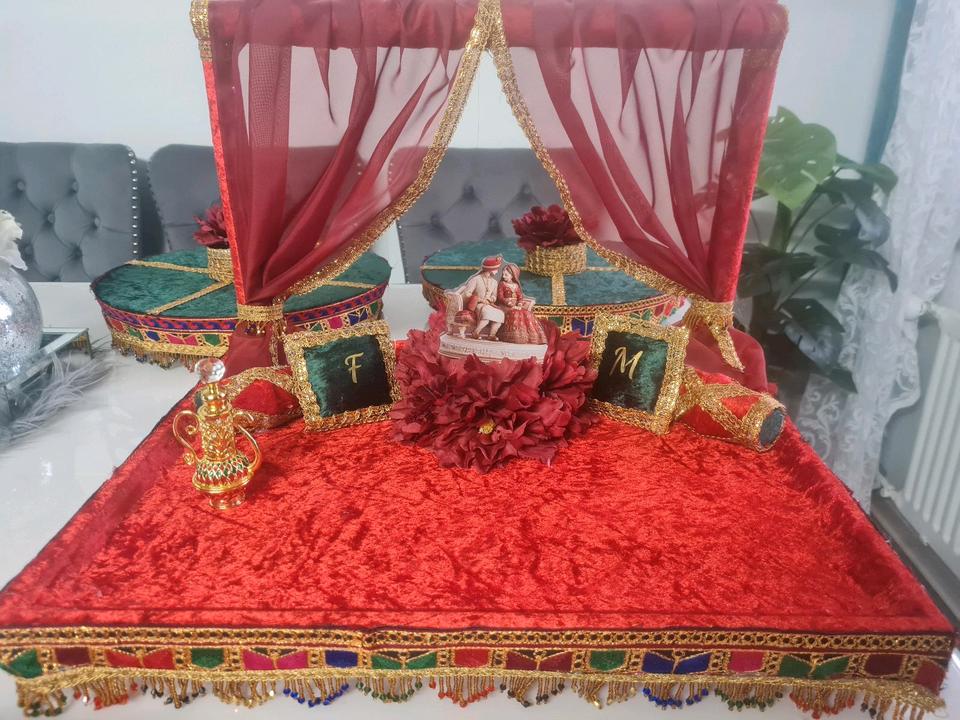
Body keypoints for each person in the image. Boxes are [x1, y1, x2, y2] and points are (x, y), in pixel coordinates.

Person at [453, 256, 506, 340]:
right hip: (477, 305)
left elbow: (494, 296)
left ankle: (492, 335)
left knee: (500, 314)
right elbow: (467, 293)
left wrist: (490, 299)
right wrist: (480, 299)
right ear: (490, 269)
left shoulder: (494, 282)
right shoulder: (476, 279)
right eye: (496, 269)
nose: (497, 271)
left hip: (488, 304)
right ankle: (475, 332)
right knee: (487, 313)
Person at [497, 263, 547, 345]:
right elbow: (500, 297)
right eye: (503, 274)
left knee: (527, 313)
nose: (503, 276)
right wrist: (509, 303)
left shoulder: (516, 285)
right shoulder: (502, 284)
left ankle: (529, 337)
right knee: (515, 313)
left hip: (516, 306)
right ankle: (514, 337)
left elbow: (520, 297)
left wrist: (519, 304)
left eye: (506, 275)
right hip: (505, 306)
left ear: (512, 275)